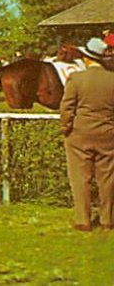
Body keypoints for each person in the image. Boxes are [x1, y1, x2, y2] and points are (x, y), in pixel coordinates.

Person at [59, 37, 114, 231]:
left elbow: (67, 108)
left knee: (80, 178)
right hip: (108, 134)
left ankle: (83, 219)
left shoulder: (76, 79)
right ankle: (107, 219)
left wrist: (65, 128)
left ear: (88, 58)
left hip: (80, 135)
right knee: (107, 178)